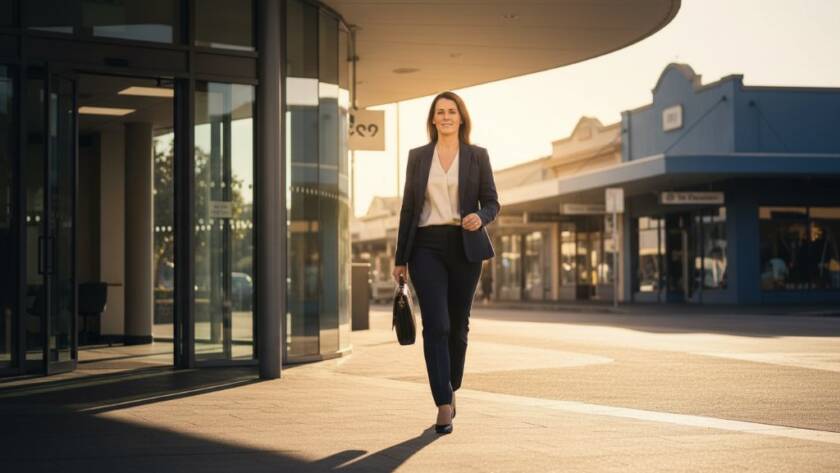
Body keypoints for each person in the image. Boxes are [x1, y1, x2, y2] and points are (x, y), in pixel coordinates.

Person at [392, 91, 500, 434]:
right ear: (433, 119)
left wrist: (480, 217)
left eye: (451, 111)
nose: (446, 116)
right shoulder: (418, 157)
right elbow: (409, 208)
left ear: (461, 117)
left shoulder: (477, 156)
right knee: (435, 324)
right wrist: (400, 258)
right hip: (426, 246)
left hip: (465, 245)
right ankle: (442, 402)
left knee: (458, 325)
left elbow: (493, 202)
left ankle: (451, 385)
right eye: (440, 112)